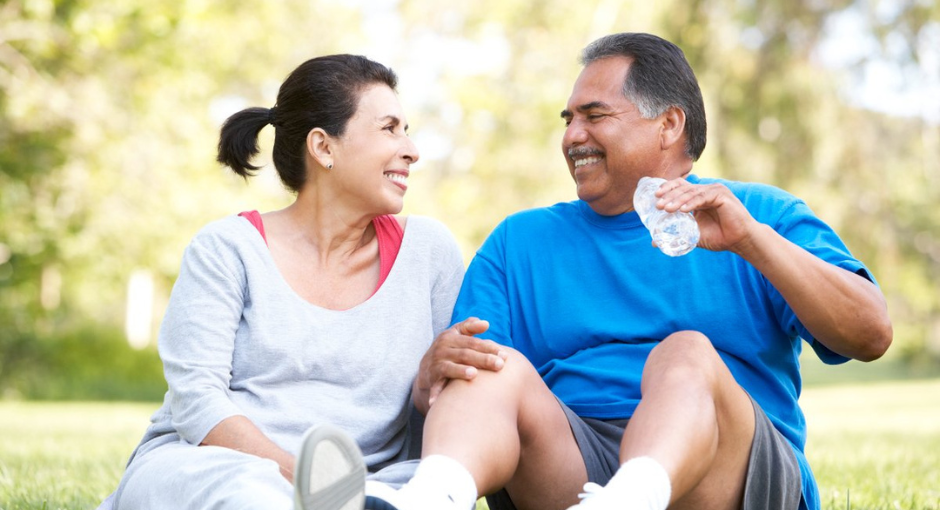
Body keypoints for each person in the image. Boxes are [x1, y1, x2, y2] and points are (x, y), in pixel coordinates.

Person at [365, 32, 892, 510]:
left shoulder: (760, 214)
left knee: (686, 351)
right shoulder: (519, 241)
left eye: (594, 115)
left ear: (668, 124)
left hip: (727, 467)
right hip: (574, 467)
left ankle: (634, 496)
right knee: (488, 363)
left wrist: (751, 241)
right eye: (568, 119)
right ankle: (426, 499)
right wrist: (433, 377)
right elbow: (465, 392)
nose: (573, 136)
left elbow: (869, 334)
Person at [97, 54, 503, 510]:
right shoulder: (227, 249)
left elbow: (444, 405)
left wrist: (429, 382)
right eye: (390, 129)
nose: (411, 150)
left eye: (406, 130)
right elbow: (197, 403)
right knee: (249, 497)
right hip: (219, 465)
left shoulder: (429, 251)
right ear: (324, 147)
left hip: (374, 482)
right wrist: (314, 484)